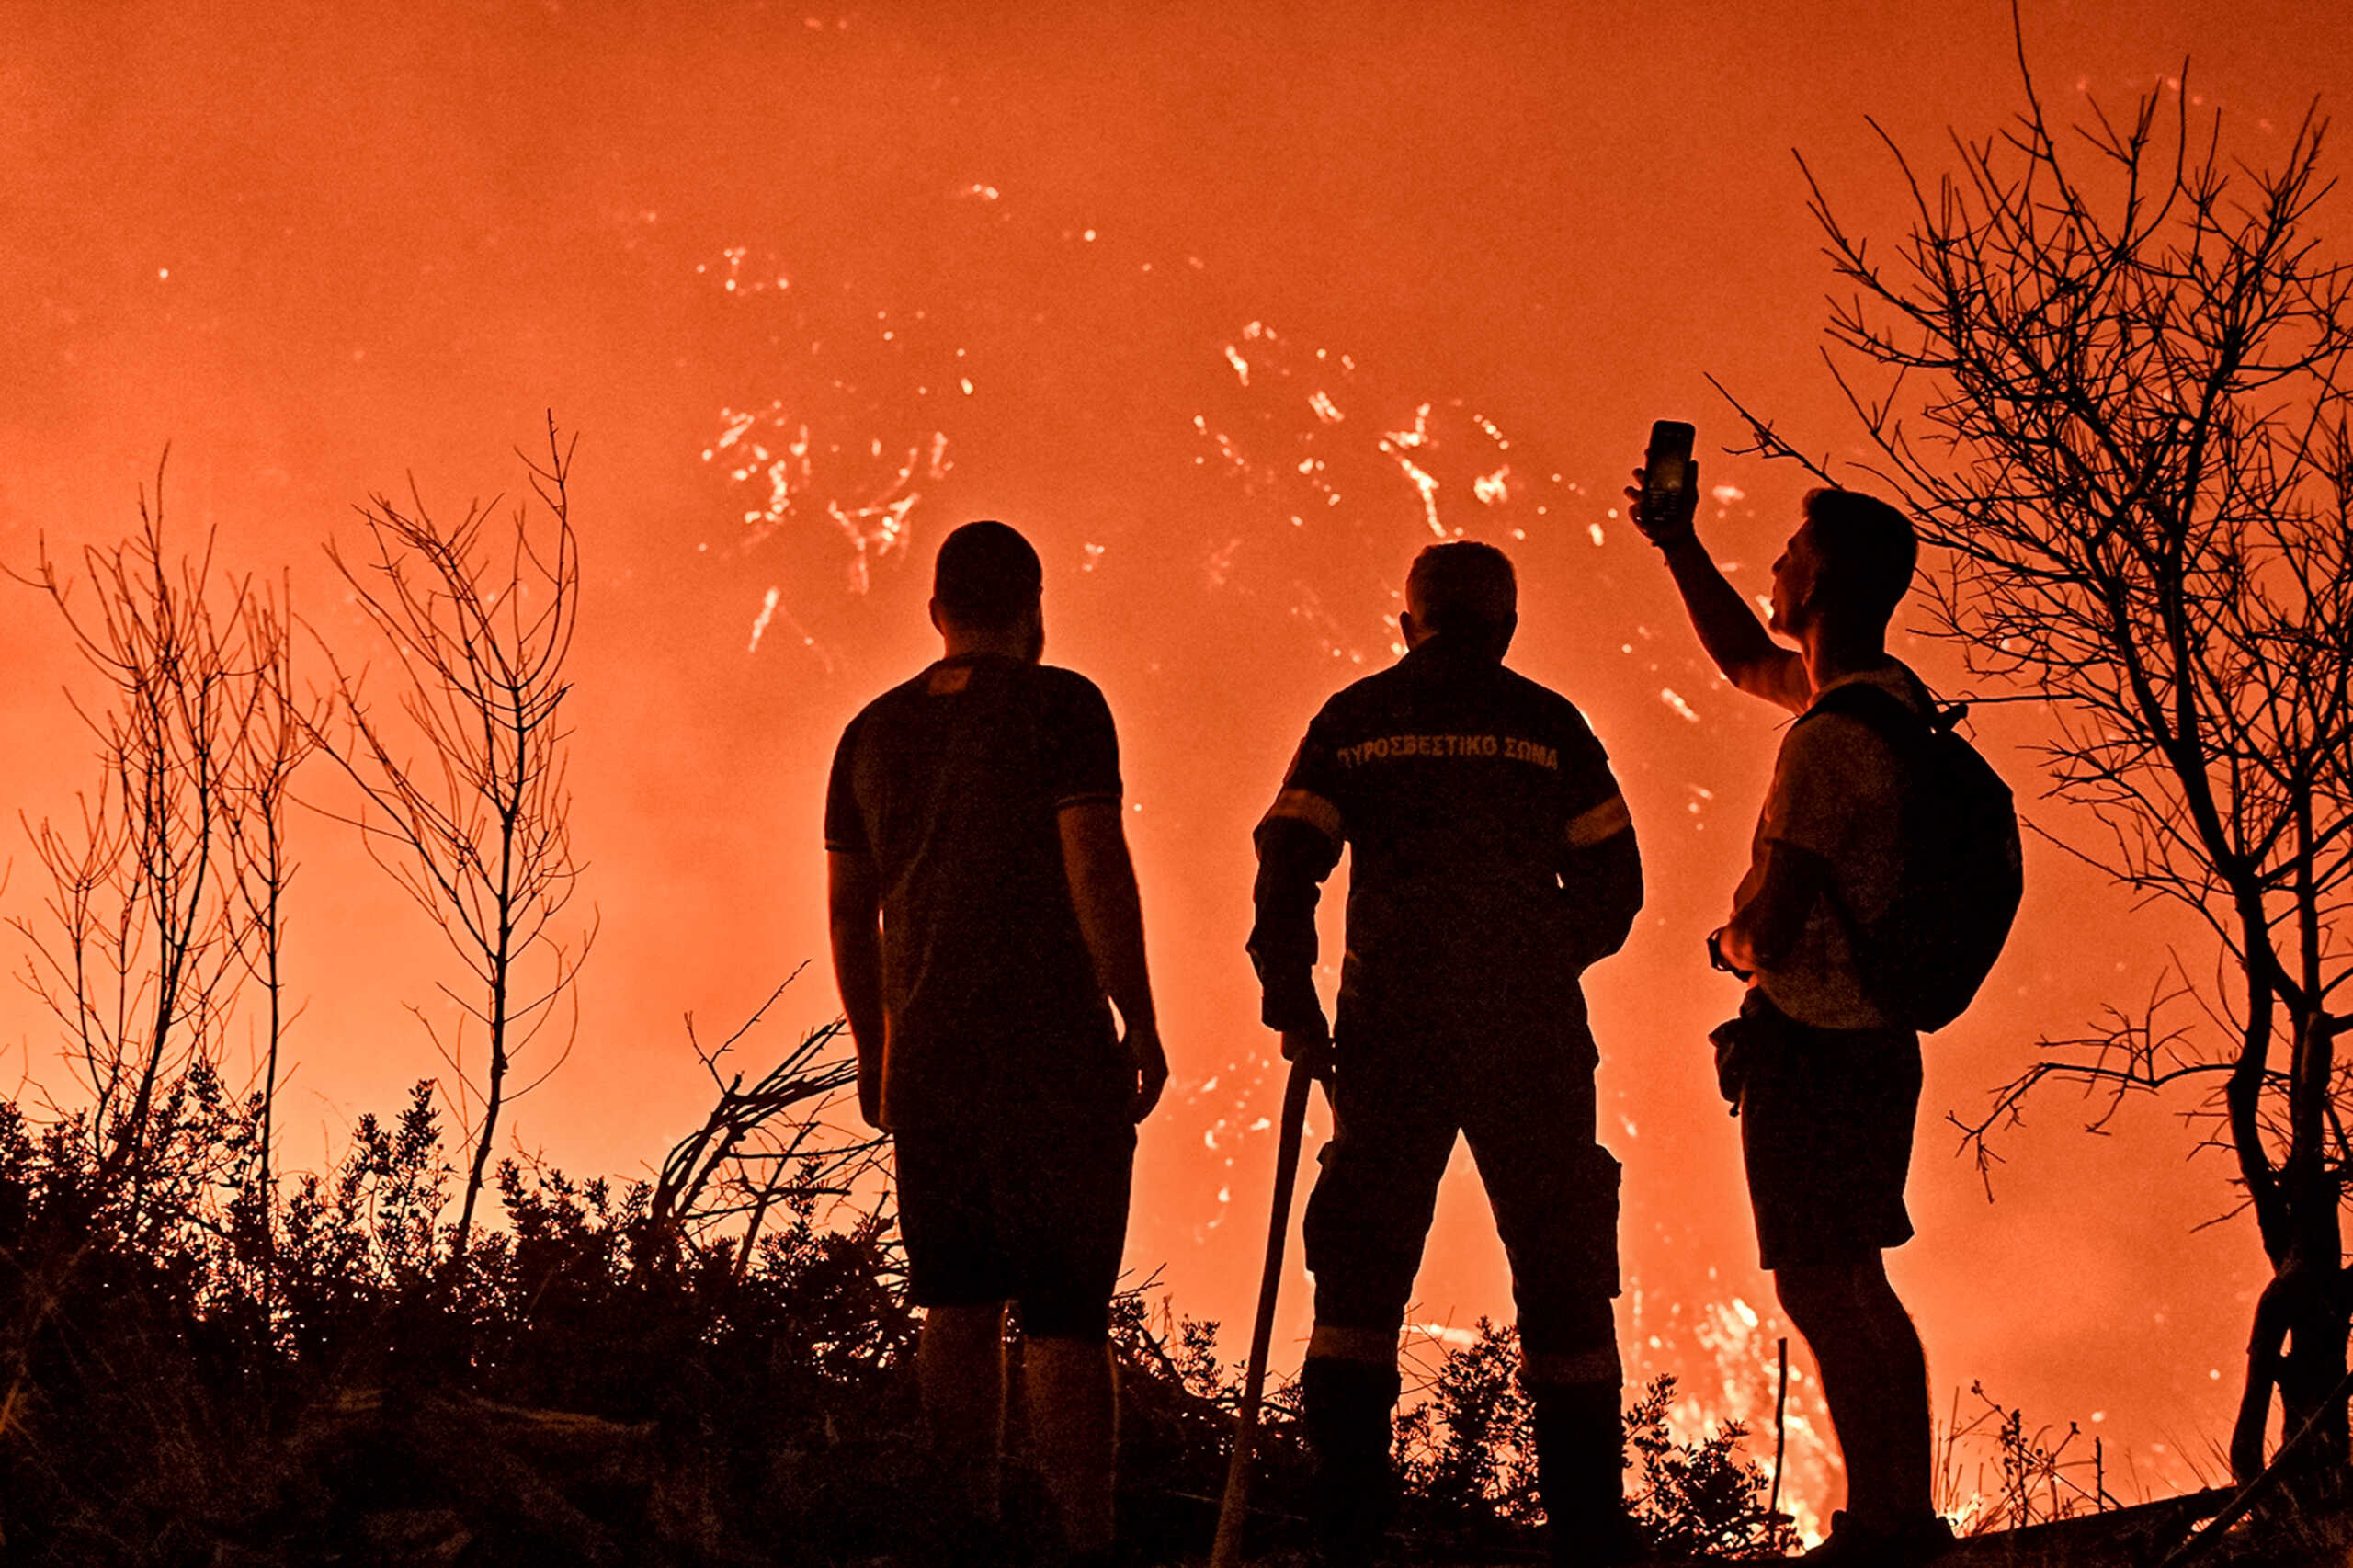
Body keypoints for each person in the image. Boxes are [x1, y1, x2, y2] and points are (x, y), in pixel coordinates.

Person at [1251, 541, 1644, 1568]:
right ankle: (1589, 1542)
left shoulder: (1355, 718)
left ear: (1406, 623)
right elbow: (1615, 885)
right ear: (1506, 627)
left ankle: (1345, 1535)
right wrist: (1534, 958)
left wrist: (1292, 1000)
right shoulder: (1549, 726)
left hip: (1389, 1036)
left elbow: (1286, 864)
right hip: (1531, 1042)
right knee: (1563, 1281)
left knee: (1358, 1285)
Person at [825, 519, 1169, 1568]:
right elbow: (1091, 855)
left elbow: (850, 910)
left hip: (927, 1051)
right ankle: (1084, 1537)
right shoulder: (1063, 704)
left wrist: (874, 1046)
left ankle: (961, 1525)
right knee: (1065, 1310)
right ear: (1035, 606)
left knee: (954, 1298)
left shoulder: (870, 731)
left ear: (936, 611)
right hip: (1050, 1048)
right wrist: (1137, 1011)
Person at [1627, 469, 1954, 1564]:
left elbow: (1770, 929)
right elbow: (1739, 660)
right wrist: (1677, 547)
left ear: (1815, 577)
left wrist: (1720, 944)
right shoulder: (1885, 700)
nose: (1771, 567)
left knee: (1822, 1282)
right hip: (1874, 1037)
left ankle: (1885, 1530)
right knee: (1858, 1276)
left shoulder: (1824, 745)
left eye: (1783, 553)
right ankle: (1902, 1514)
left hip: (1812, 1045)